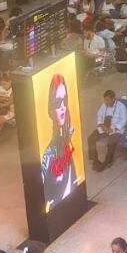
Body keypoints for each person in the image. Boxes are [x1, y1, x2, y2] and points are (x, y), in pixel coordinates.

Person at [41, 74, 78, 210]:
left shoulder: (68, 138)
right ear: (50, 109)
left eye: (65, 100)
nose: (63, 107)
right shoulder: (49, 155)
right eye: (57, 102)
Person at [87, 90, 127, 172]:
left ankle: (107, 162)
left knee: (111, 142)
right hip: (104, 127)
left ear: (113, 99)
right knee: (90, 138)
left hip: (116, 129)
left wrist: (113, 129)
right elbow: (99, 116)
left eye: (108, 100)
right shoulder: (104, 105)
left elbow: (123, 121)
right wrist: (102, 126)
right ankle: (95, 160)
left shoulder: (121, 107)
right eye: (105, 100)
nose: (106, 102)